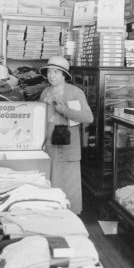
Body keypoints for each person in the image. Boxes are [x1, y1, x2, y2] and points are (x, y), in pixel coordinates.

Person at [39, 56, 94, 214]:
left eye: (56, 72)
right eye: (49, 72)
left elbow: (88, 118)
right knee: (50, 183)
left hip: (68, 145)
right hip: (48, 145)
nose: (52, 75)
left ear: (64, 75)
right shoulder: (45, 92)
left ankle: (71, 218)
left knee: (69, 184)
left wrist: (65, 110)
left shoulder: (76, 92)